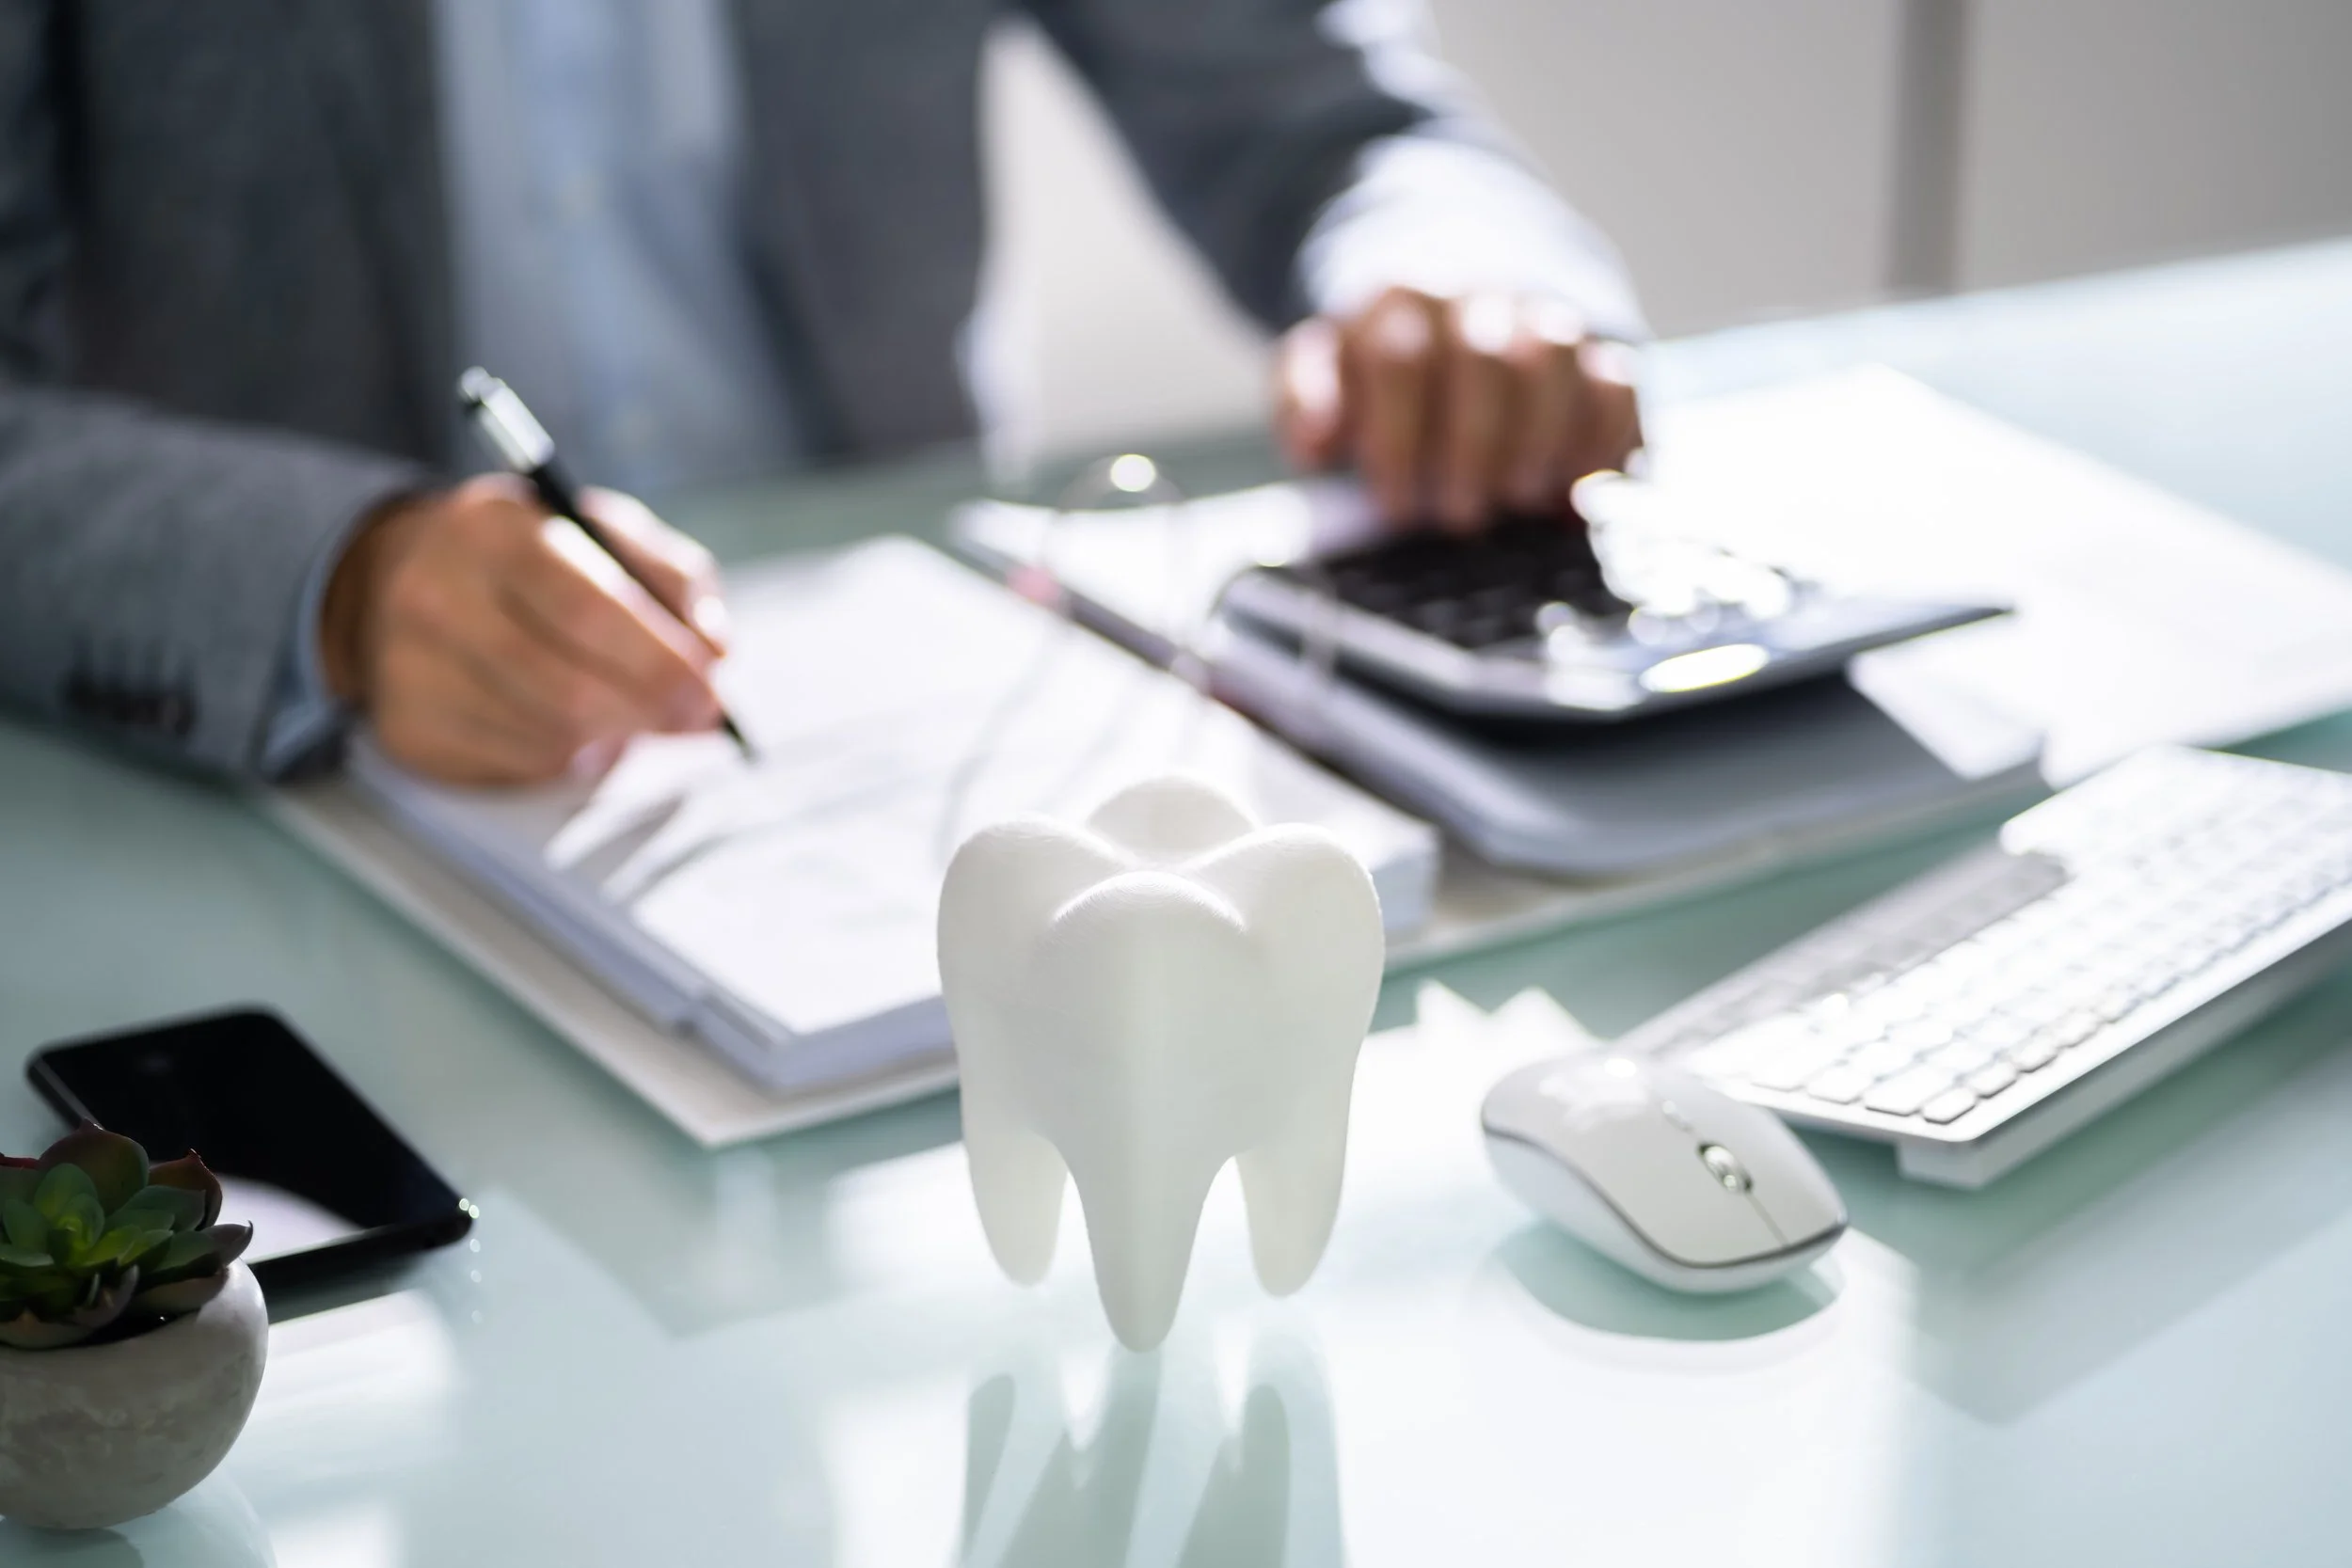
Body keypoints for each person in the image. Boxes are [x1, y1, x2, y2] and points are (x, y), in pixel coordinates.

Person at [0, 0, 1646, 786]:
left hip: (917, 727)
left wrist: (1456, 290)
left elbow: (1340, 129)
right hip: (298, 787)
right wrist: (337, 577)